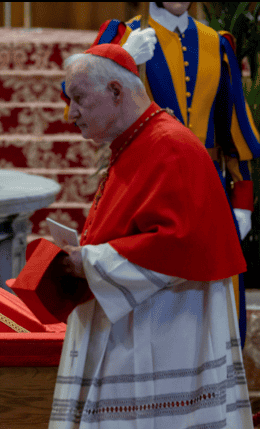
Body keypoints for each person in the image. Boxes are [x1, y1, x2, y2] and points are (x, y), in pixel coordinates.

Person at [22, 44, 253, 429]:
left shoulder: (169, 146)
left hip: (167, 330)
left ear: (115, 91)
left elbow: (178, 244)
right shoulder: (136, 142)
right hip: (143, 322)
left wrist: (88, 262)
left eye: (78, 98)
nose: (71, 113)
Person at [84, 1, 260, 348]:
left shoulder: (216, 43)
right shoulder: (124, 35)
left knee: (216, 291)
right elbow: (78, 99)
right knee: (154, 296)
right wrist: (121, 59)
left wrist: (242, 201)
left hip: (210, 189)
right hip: (147, 187)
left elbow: (233, 127)